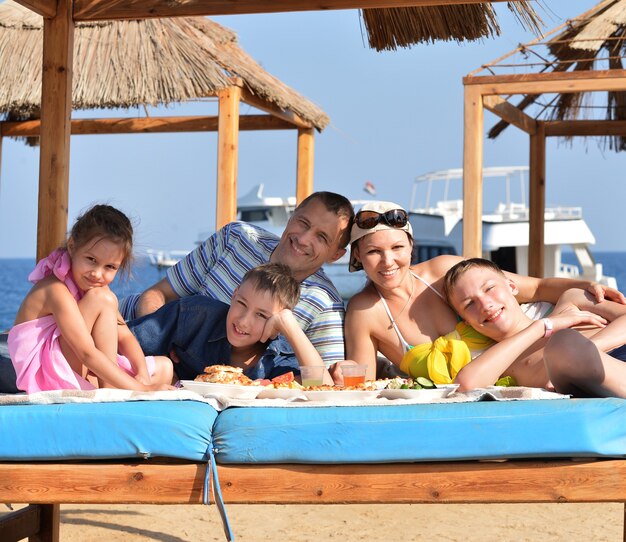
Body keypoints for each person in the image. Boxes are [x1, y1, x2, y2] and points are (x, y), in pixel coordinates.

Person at [344, 201, 626, 383]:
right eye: (373, 252)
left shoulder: (444, 271)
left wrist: (584, 287)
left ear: (410, 246)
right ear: (357, 254)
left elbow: (537, 288)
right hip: (512, 373)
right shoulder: (364, 313)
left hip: (538, 351)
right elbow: (364, 384)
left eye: (397, 248)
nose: (388, 262)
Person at [122, 191, 354, 370]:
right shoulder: (236, 238)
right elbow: (157, 294)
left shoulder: (326, 305)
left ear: (335, 255)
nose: (303, 238)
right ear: (291, 216)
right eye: (303, 223)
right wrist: (162, 348)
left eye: (321, 237)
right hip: (145, 339)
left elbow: (323, 383)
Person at [7, 204, 174, 393]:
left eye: (109, 267)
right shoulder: (55, 289)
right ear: (72, 247)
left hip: (74, 364)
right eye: (91, 260)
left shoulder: (95, 288)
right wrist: (142, 389)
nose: (97, 273)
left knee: (165, 367)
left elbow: (125, 336)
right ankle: (110, 387)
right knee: (103, 298)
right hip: (48, 373)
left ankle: (111, 385)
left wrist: (141, 373)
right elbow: (86, 353)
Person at [443, 258, 626, 397]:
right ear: (466, 321)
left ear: (512, 286)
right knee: (562, 344)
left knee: (563, 345)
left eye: (489, 288)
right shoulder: (503, 363)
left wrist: (589, 348)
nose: (485, 304)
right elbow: (466, 384)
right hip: (601, 383)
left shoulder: (570, 301)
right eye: (469, 304)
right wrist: (543, 326)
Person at [129, 263, 334, 385]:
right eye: (242, 303)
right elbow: (124, 340)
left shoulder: (278, 359)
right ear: (234, 294)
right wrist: (163, 356)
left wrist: (289, 325)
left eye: (262, 315)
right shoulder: (195, 315)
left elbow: (323, 386)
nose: (244, 321)